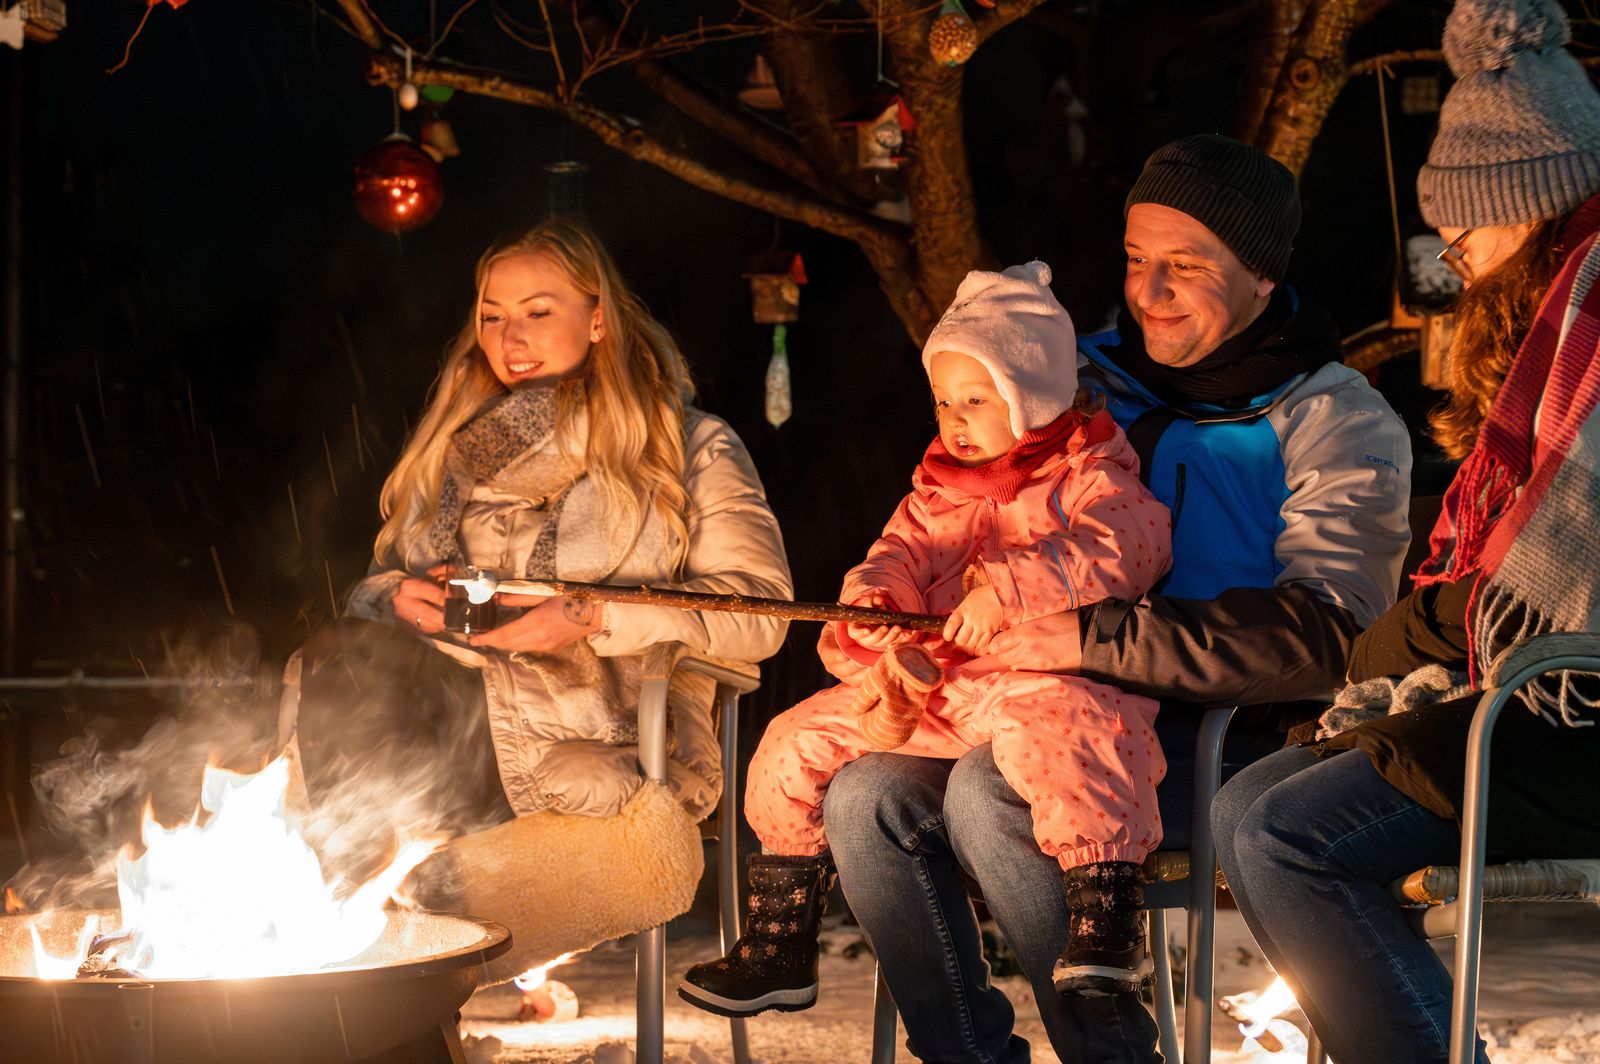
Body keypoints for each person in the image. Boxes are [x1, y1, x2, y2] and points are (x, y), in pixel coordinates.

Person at [821, 134, 1414, 1063]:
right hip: (1025, 707)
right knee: (864, 796)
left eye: (1187, 265)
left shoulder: (1329, 417)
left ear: (1261, 276)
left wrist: (1095, 639)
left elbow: (1329, 633)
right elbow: (952, 515)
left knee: (989, 793)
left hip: (1224, 742)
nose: (1150, 292)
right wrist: (899, 627)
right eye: (1138, 260)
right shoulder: (1072, 381)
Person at [1212, 2, 1600, 1060]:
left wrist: (1422, 629)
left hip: (1571, 712)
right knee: (1247, 799)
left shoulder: (1593, 320)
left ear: (1534, 203)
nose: (1455, 251)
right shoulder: (1550, 337)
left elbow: (1555, 590)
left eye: (1471, 224)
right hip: (1517, 696)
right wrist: (1424, 633)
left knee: (1290, 836)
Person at [677, 262, 1172, 1020]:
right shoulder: (935, 494)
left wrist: (1009, 587)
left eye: (978, 400)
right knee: (788, 742)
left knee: (1073, 734)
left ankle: (1102, 914)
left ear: (1034, 398)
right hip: (937, 694)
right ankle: (782, 939)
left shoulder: (1091, 473)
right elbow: (893, 558)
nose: (955, 419)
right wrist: (876, 609)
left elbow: (1125, 548)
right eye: (944, 400)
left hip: (1038, 681)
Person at [289, 218, 792, 867]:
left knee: (376, 741)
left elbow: (763, 615)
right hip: (450, 704)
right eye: (492, 317)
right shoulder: (459, 450)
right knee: (339, 662)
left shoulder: (685, 448)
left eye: (537, 312)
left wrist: (593, 617)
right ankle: (351, 912)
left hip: (605, 726)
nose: (510, 338)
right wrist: (395, 599)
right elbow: (381, 579)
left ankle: (381, 901)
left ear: (599, 320)